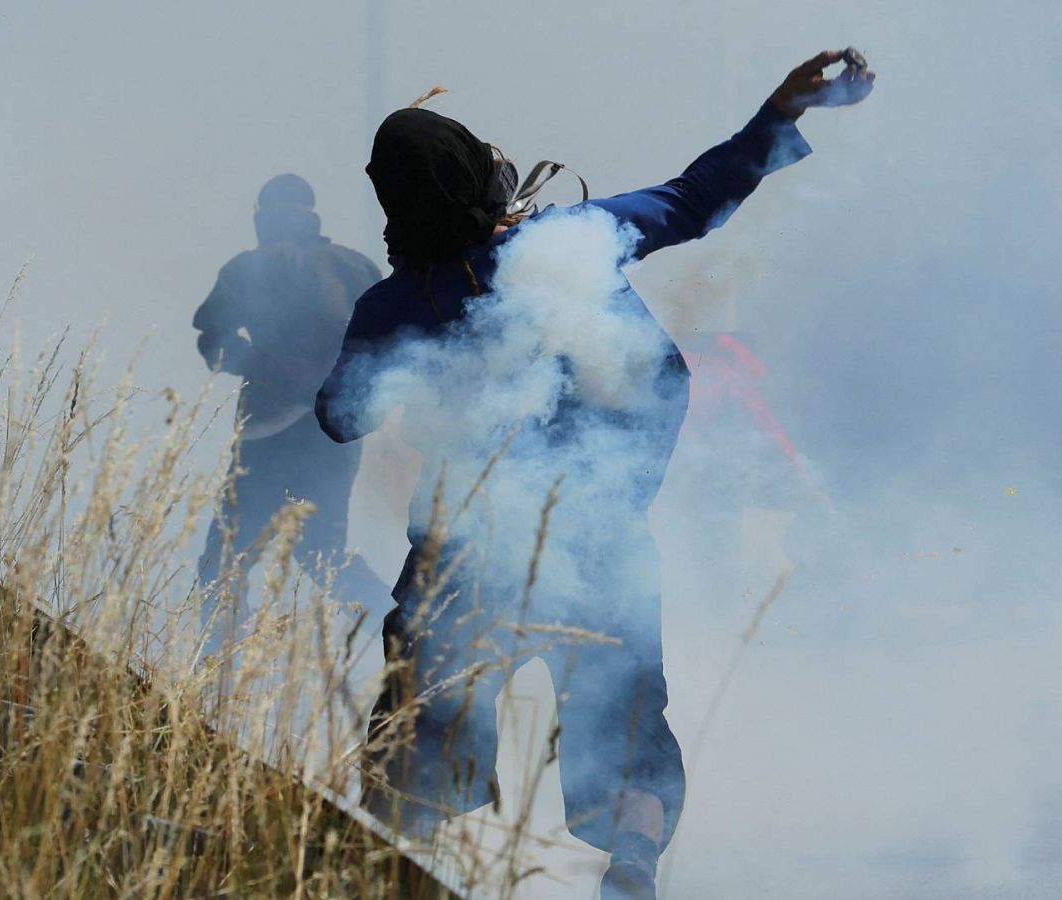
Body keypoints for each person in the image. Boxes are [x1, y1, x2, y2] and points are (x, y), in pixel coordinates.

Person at [316, 50, 875, 899]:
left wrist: (392, 335)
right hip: (597, 540)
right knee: (622, 730)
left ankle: (390, 875)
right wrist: (780, 111)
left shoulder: (395, 307)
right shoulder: (562, 244)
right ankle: (632, 871)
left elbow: (339, 415)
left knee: (420, 731)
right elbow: (693, 202)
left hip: (464, 561)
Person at [193, 174, 389, 655]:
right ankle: (410, 646)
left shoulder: (251, 267)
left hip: (268, 436)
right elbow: (389, 346)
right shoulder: (355, 267)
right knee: (326, 560)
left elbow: (212, 339)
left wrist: (261, 368)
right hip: (334, 435)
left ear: (265, 217)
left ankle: (206, 691)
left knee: (223, 564)